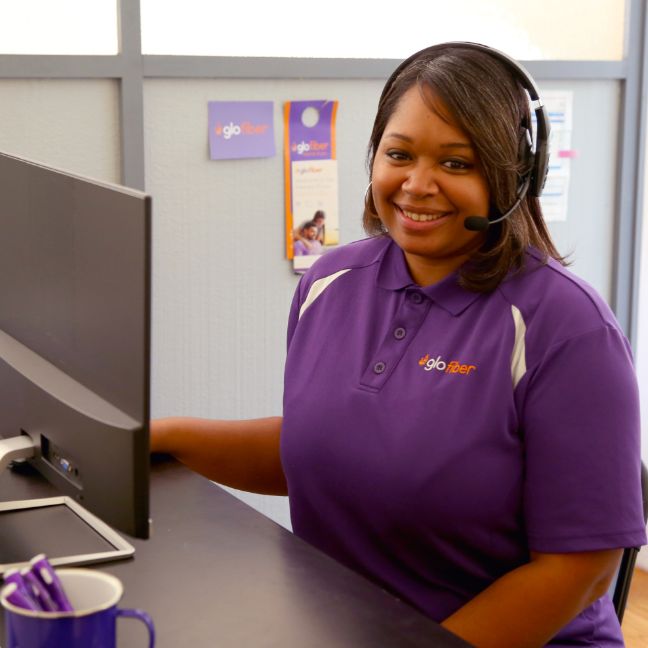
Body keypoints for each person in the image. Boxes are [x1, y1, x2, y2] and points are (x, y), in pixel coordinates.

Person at [150, 43, 646, 648]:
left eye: (457, 164)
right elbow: (328, 449)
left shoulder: (567, 328)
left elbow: (582, 568)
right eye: (399, 154)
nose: (417, 185)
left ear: (513, 177)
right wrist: (161, 436)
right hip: (342, 624)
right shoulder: (328, 284)